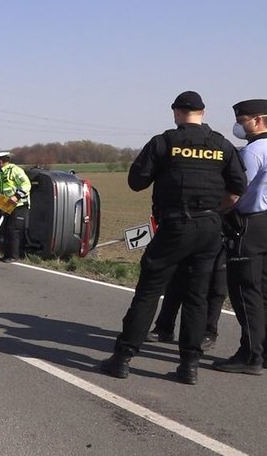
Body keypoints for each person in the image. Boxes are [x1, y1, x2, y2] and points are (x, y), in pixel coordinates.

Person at [99, 91, 246, 385]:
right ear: (203, 112)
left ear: (176, 112)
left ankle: (123, 358)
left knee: (149, 291)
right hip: (208, 229)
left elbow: (136, 182)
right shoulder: (222, 145)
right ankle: (189, 366)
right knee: (196, 298)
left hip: (175, 225)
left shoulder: (164, 142)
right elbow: (238, 189)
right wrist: (213, 211)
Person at [213, 99, 267, 375]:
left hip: (246, 226)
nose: (240, 126)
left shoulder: (252, 152)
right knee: (266, 292)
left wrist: (213, 211)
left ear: (259, 121)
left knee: (244, 292)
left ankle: (250, 355)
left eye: (243, 121)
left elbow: (235, 191)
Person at [146, 243, 228, 350]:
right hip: (193, 238)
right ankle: (164, 328)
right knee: (176, 281)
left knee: (216, 288)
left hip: (223, 244)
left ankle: (209, 333)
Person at [0, 151, 31, 263]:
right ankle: (6, 255)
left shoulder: (15, 170)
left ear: (0, 161)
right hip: (8, 205)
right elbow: (3, 192)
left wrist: (17, 196)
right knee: (6, 230)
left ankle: (13, 256)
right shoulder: (1, 174)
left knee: (13, 230)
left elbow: (26, 184)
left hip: (19, 206)